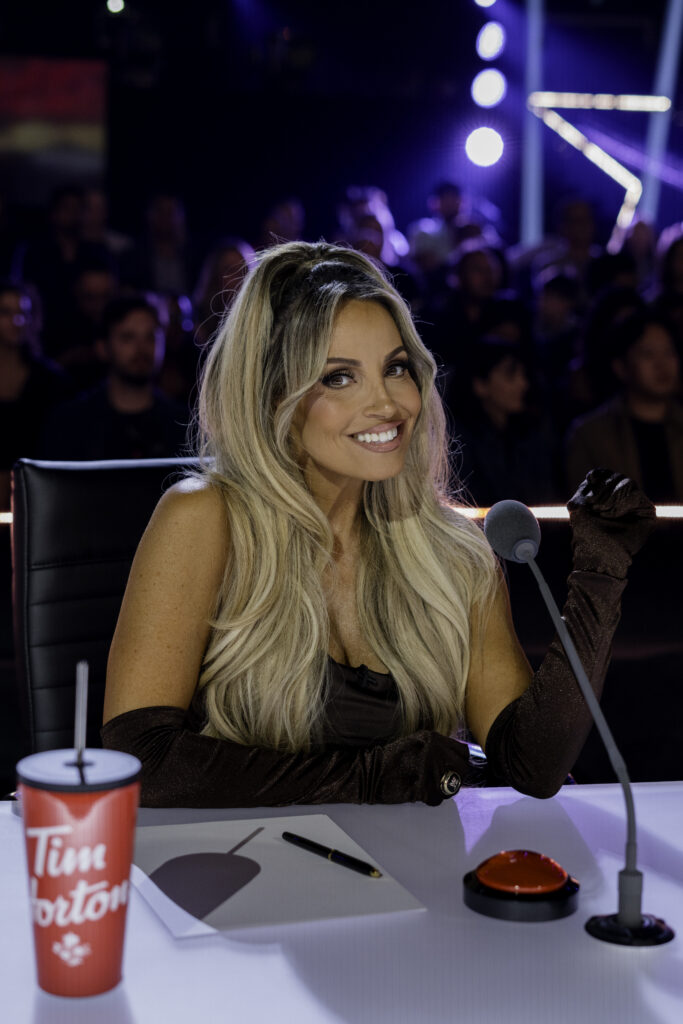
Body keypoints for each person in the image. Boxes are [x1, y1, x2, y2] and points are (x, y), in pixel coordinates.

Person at [101, 241, 654, 809]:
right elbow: (140, 758)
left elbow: (531, 765)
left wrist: (600, 576)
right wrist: (368, 779)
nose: (387, 403)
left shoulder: (453, 552)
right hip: (243, 873)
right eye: (339, 377)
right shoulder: (204, 517)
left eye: (395, 368)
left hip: (414, 880)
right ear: (274, 399)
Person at [41, 295, 187, 461]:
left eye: (150, 337)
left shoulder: (184, 425)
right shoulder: (69, 424)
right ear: (103, 348)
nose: (141, 349)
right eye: (128, 338)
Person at [565, 310, 683, 501]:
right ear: (621, 367)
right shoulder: (590, 435)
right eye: (648, 354)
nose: (662, 364)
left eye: (669, 352)